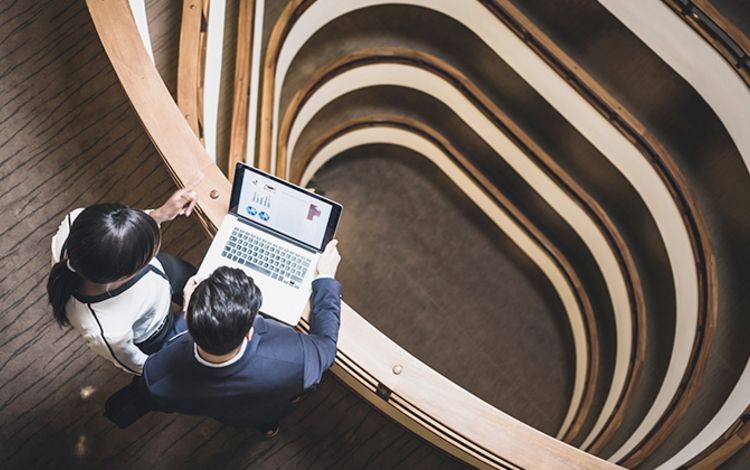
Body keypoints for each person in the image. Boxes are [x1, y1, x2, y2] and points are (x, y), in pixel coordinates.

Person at [137, 240, 342, 435]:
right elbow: (326, 345)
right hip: (268, 404)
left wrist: (186, 313)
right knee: (267, 415)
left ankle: (266, 428)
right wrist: (325, 278)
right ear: (249, 332)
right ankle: (269, 427)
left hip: (230, 414)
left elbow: (168, 354)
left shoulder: (157, 377)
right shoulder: (295, 359)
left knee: (244, 417)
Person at [47, 188, 199, 375]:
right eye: (149, 254)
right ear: (125, 276)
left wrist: (158, 215)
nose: (155, 251)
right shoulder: (108, 332)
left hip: (163, 273)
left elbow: (117, 232)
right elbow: (146, 367)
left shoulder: (75, 220)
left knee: (203, 281)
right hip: (156, 329)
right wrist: (187, 316)